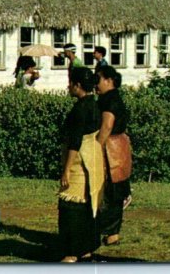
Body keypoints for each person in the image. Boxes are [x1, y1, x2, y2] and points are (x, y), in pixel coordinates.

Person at [58, 66, 105, 263]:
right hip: (94, 158)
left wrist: (66, 170)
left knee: (72, 207)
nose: (68, 86)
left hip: (79, 161)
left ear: (77, 85)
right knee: (89, 205)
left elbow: (75, 142)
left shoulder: (80, 109)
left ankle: (72, 253)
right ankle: (86, 250)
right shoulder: (96, 104)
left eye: (70, 83)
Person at [95, 65, 132, 247]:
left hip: (111, 148)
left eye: (98, 79)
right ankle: (113, 234)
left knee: (109, 192)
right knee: (115, 191)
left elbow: (107, 125)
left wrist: (96, 147)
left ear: (109, 80)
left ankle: (109, 232)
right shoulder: (113, 97)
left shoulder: (109, 99)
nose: (96, 83)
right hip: (119, 146)